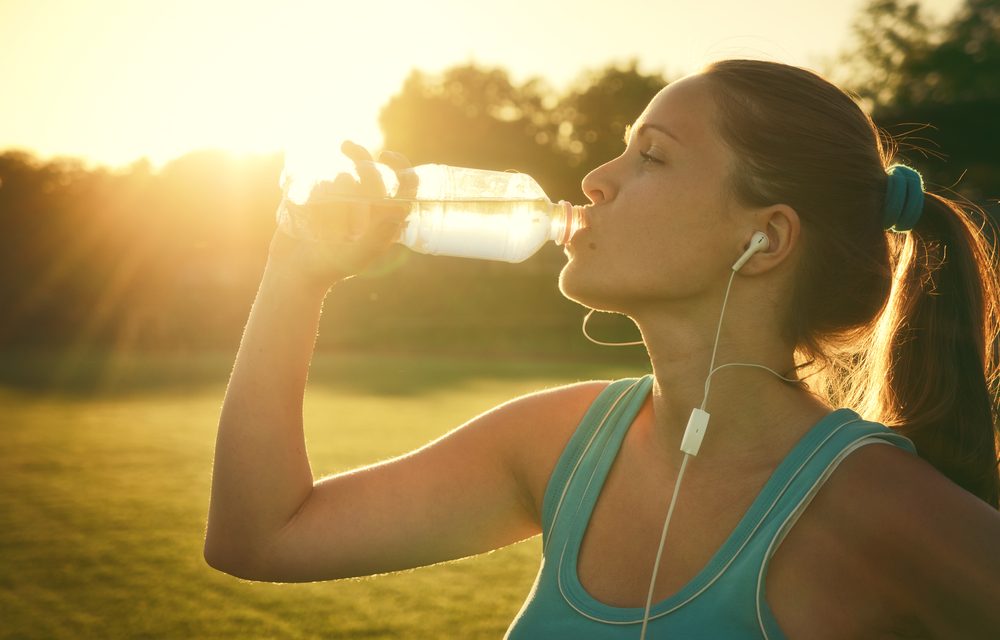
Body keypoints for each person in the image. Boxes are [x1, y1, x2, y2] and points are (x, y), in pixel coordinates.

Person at [204, 59, 1000, 638]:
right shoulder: (558, 446)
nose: (593, 179)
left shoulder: (876, 507)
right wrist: (295, 271)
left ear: (765, 238)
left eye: (650, 155)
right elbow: (261, 537)